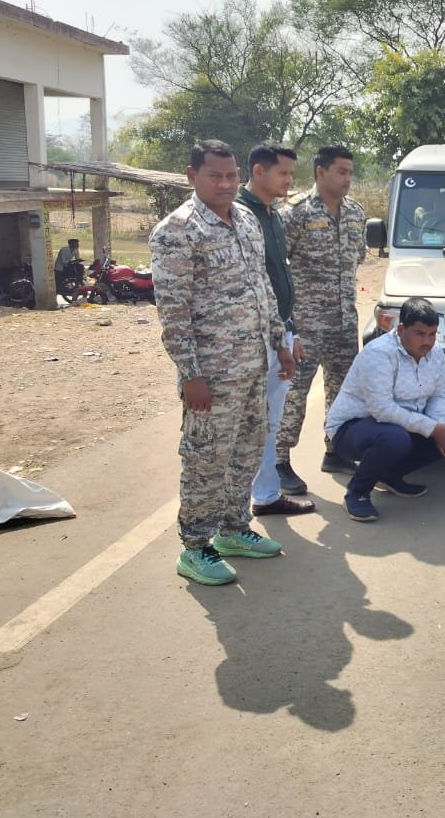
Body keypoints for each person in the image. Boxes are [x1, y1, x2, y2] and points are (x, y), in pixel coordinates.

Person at [149, 140, 296, 586]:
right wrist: (191, 374)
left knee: (247, 453)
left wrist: (280, 342)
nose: (226, 183)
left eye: (231, 175)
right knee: (206, 460)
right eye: (215, 176)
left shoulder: (247, 219)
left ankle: (234, 529)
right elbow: (174, 314)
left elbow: (263, 289)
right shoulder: (177, 231)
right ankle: (195, 548)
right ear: (192, 176)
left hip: (253, 365)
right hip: (211, 374)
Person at [274, 145, 366, 494]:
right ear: (320, 172)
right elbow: (278, 268)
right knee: (294, 392)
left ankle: (336, 449)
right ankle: (279, 460)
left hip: (344, 320)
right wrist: (287, 324)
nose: (347, 179)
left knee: (343, 391)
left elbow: (357, 259)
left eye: (350, 172)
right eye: (341, 171)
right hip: (306, 324)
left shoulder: (355, 213)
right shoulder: (294, 213)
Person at [324, 297, 445, 522]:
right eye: (420, 333)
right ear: (401, 329)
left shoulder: (435, 352)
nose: (427, 341)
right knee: (394, 439)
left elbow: (438, 395)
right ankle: (357, 493)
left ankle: (390, 476)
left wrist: (439, 426)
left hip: (399, 425)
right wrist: (432, 429)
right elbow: (381, 409)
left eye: (432, 334)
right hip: (353, 428)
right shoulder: (378, 354)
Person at [237, 142, 313, 516]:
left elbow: (282, 279)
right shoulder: (238, 216)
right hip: (249, 339)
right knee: (247, 425)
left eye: (290, 174)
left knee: (269, 421)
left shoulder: (273, 215)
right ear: (259, 171)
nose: (288, 180)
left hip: (277, 334)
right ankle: (232, 510)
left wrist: (291, 333)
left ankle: (266, 496)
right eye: (282, 173)